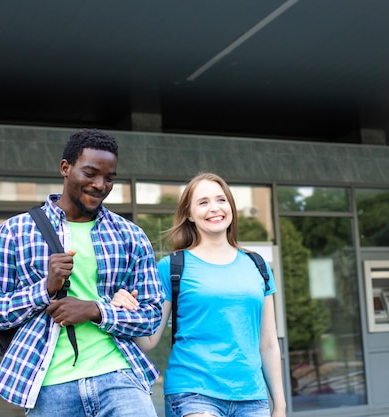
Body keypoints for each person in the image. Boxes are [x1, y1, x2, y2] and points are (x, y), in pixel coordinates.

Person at [0, 128, 164, 417]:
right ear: (66, 168)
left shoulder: (130, 236)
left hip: (119, 377)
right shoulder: (14, 232)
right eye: (90, 173)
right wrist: (46, 289)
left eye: (109, 177)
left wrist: (94, 310)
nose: (100, 185)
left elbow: (151, 315)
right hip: (50, 386)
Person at [113, 172, 287, 417]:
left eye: (221, 200)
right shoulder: (172, 267)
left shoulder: (258, 265)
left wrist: (280, 405)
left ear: (231, 207)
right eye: (203, 202)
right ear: (189, 214)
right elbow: (149, 341)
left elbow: (268, 344)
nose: (214, 208)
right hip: (193, 392)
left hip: (251, 396)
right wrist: (124, 312)